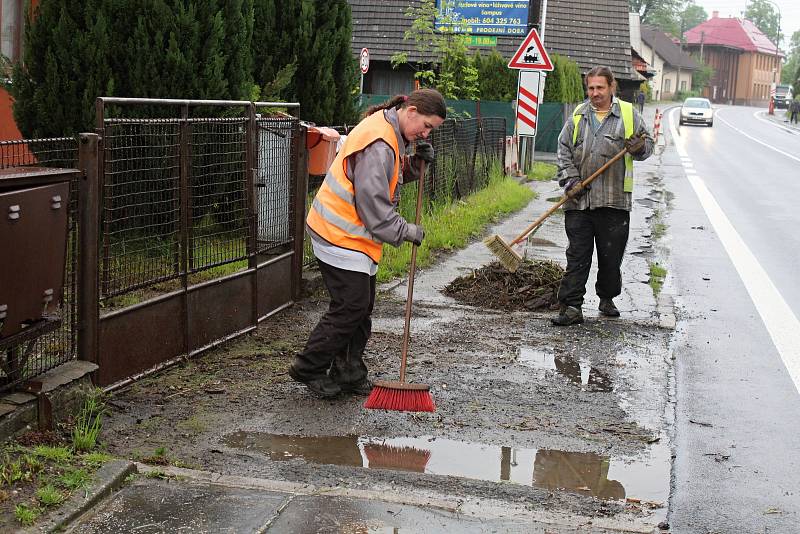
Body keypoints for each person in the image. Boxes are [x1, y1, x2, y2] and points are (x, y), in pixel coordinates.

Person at [289, 89, 447, 398]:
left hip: (353, 236)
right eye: (426, 126)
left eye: (431, 131)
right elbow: (374, 207)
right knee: (352, 306)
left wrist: (415, 164)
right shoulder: (380, 142)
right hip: (338, 233)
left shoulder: (390, 130)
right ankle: (308, 366)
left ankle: (349, 370)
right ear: (411, 111)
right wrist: (407, 231)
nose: (426, 134)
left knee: (361, 306)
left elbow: (389, 177)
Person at [551, 66, 654, 326]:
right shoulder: (578, 115)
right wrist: (571, 180)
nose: (594, 93)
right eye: (591, 88)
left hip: (614, 201)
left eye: (600, 88)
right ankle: (572, 306)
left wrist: (640, 147)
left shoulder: (629, 115)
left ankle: (607, 297)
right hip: (579, 201)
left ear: (612, 88)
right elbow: (563, 149)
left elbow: (648, 145)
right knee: (577, 256)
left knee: (610, 258)